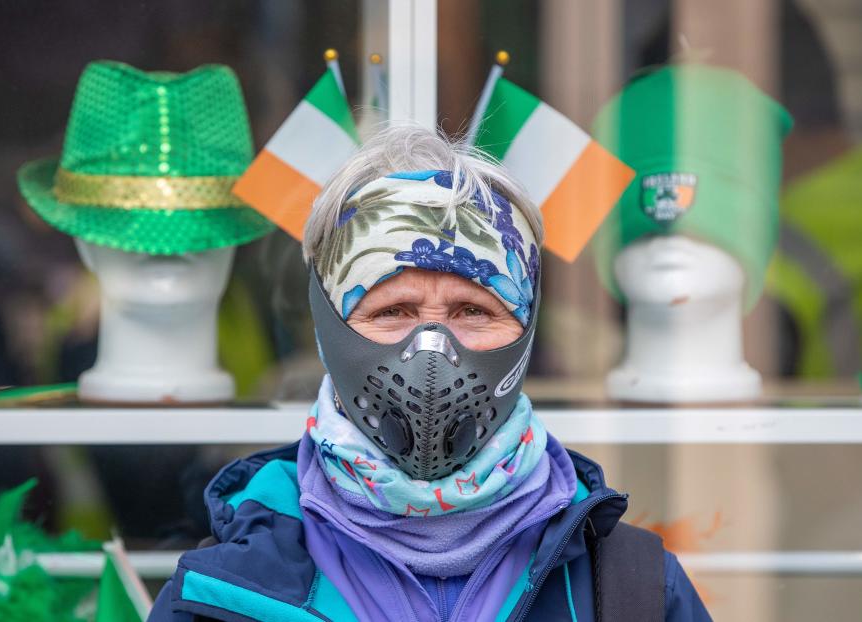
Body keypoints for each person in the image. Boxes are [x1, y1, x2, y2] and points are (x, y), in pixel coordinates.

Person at [148, 125, 711, 621]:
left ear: (526, 329)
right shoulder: (218, 597)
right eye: (393, 311)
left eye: (474, 310)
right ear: (327, 329)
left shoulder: (634, 591)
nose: (433, 353)